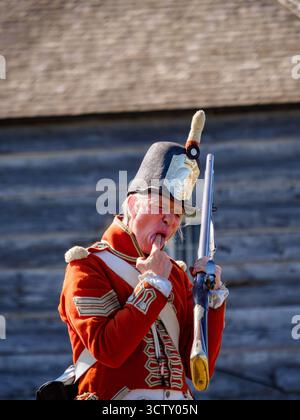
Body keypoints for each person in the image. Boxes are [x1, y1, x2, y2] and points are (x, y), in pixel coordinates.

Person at [58, 111, 228, 400]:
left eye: (177, 214)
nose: (171, 221)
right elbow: (108, 350)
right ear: (133, 205)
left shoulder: (175, 273)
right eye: (161, 206)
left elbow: (199, 370)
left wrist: (209, 300)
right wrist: (153, 287)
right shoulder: (88, 266)